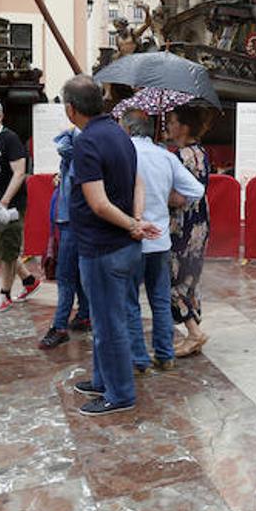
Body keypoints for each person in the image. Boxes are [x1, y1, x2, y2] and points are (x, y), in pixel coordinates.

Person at [61, 75, 159, 416]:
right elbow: (138, 182)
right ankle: (103, 379)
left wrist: (133, 224)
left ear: (71, 110)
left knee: (108, 325)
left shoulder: (87, 142)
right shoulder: (119, 133)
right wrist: (135, 220)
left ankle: (119, 393)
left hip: (103, 248)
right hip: (122, 246)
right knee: (108, 320)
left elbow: (99, 204)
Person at [121, 109, 204, 372]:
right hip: (160, 239)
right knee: (159, 298)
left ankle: (138, 358)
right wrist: (166, 196)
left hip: (133, 235)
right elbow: (196, 190)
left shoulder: (125, 154)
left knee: (130, 300)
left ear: (129, 129)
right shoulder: (165, 156)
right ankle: (165, 353)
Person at [0, 98, 40, 314]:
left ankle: (4, 294)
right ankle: (29, 280)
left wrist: (4, 201)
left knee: (9, 249)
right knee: (1, 249)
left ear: (0, 115)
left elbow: (19, 173)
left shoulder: (10, 139)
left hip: (10, 205)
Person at [166, 107, 214, 356]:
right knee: (190, 277)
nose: (169, 126)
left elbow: (179, 198)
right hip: (200, 223)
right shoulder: (201, 153)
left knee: (174, 279)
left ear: (184, 127)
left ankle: (194, 333)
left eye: (172, 122)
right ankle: (193, 327)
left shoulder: (180, 157)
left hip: (181, 225)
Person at [40, 126, 92, 349]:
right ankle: (84, 314)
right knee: (79, 272)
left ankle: (60, 326)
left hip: (72, 220)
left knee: (65, 276)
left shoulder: (76, 153)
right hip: (78, 219)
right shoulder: (85, 157)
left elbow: (64, 146)